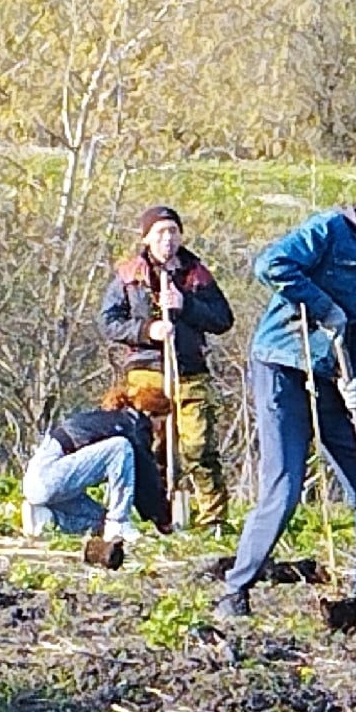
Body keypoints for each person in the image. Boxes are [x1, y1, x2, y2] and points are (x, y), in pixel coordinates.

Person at [215, 177, 356, 623]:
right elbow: (271, 265)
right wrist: (323, 305)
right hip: (284, 367)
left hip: (335, 380)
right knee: (285, 485)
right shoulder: (327, 231)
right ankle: (235, 590)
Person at [100, 204, 236, 530]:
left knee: (198, 446)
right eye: (160, 232)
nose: (168, 239)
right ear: (146, 237)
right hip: (147, 370)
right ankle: (159, 516)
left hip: (190, 369)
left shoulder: (196, 274)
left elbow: (222, 319)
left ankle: (213, 520)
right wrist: (148, 330)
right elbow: (108, 322)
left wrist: (185, 305)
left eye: (173, 231)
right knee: (152, 445)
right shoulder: (129, 276)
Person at [21, 382, 175, 545]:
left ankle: (46, 517)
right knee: (120, 447)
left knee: (100, 520)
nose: (160, 429)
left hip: (39, 482)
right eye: (162, 421)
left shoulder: (111, 421)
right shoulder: (135, 426)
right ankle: (119, 523)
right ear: (150, 413)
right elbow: (145, 479)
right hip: (49, 476)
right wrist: (163, 519)